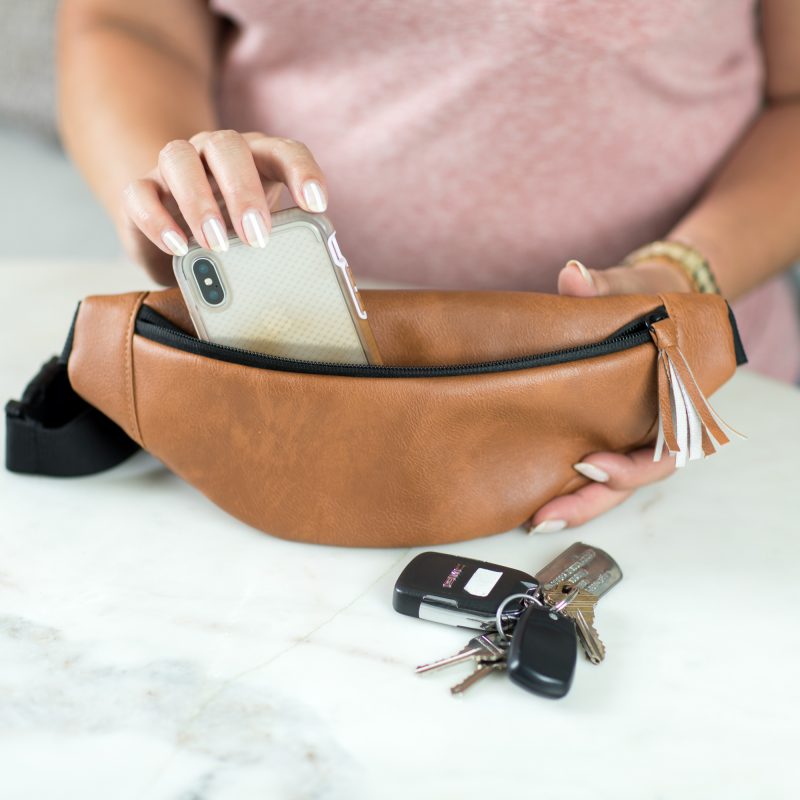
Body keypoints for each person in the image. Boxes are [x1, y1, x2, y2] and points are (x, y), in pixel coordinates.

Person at [57, 0, 800, 533]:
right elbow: (125, 20)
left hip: (685, 411)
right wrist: (177, 202)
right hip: (259, 396)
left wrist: (677, 283)